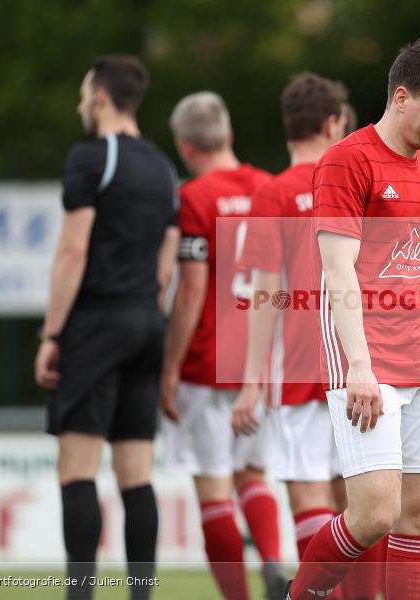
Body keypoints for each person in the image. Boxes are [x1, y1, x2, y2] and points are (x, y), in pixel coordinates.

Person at [283, 39, 420, 600]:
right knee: (373, 515)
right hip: (370, 360)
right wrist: (360, 368)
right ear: (401, 96)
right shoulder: (346, 160)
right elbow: (337, 270)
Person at [233, 72, 383, 600]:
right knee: (363, 501)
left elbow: (264, 296)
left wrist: (251, 382)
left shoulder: (272, 193)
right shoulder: (359, 183)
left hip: (298, 368)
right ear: (333, 122)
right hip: (361, 363)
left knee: (308, 497)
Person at [34, 55, 179, 600]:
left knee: (77, 470)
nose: (79, 104)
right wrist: (147, 313)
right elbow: (166, 264)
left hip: (97, 323)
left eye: (82, 94)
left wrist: (52, 334)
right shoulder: (163, 168)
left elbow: (72, 252)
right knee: (135, 475)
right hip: (146, 322)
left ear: (99, 96)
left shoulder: (92, 157)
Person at [161, 91, 284, 599]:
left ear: (186, 147)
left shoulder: (193, 197)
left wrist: (170, 367)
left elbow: (191, 289)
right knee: (253, 475)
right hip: (262, 359)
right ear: (229, 134)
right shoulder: (269, 186)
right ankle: (273, 560)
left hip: (208, 361)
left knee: (213, 489)